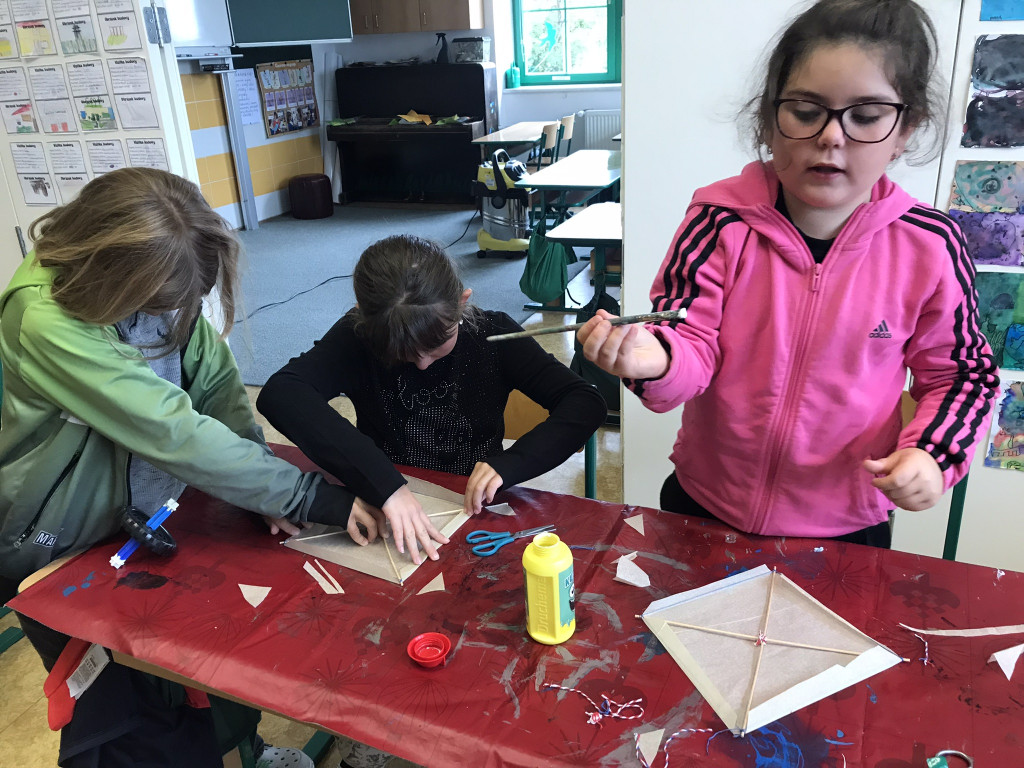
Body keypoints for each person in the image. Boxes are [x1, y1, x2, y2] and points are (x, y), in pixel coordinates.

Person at [578, 0, 999, 548]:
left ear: (905, 131)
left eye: (866, 116)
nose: (832, 136)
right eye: (805, 111)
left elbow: (962, 376)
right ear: (769, 121)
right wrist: (653, 359)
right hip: (705, 505)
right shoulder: (719, 221)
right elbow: (689, 340)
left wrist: (932, 455)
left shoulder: (930, 246)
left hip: (847, 526)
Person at [0, 167, 370, 768]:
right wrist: (306, 497)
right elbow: (172, 429)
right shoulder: (45, 319)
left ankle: (245, 748)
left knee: (208, 663)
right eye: (161, 305)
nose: (176, 316)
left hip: (149, 510)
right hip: (61, 536)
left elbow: (217, 388)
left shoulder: (164, 280)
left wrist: (261, 489)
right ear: (117, 278)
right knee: (123, 709)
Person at [257, 234, 607, 564]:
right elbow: (281, 394)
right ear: (363, 318)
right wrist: (385, 485)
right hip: (383, 498)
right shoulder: (359, 335)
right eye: (403, 353)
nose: (422, 364)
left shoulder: (493, 334)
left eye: (437, 346)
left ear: (462, 303)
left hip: (472, 505)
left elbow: (585, 402)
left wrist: (512, 463)